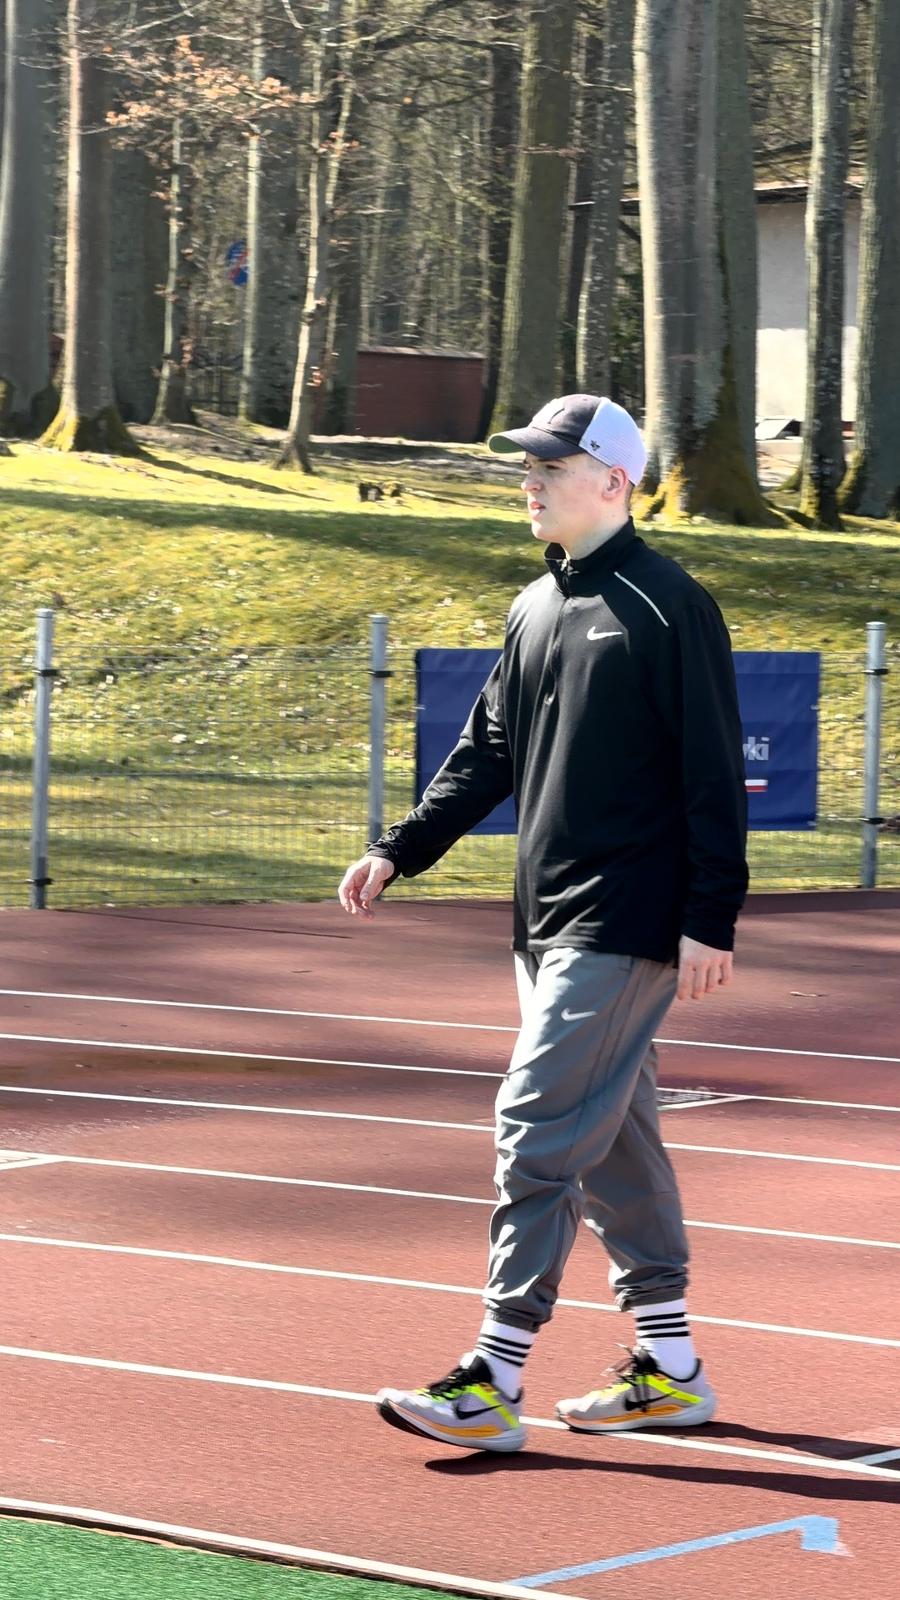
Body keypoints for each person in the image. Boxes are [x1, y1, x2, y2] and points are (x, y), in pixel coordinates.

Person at [338, 394, 748, 1453]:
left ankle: (495, 1373)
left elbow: (713, 773)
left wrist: (709, 918)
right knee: (612, 1145)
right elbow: (488, 748)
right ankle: (670, 1368)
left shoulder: (671, 606)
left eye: (551, 466)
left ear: (613, 481)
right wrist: (401, 847)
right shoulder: (534, 605)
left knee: (536, 1122)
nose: (529, 481)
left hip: (627, 919)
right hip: (546, 919)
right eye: (527, 465)